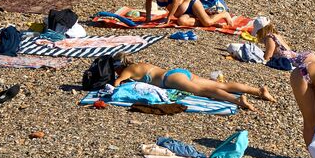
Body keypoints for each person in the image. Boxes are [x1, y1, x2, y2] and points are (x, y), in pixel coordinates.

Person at [113, 56, 274, 110]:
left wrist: (117, 81)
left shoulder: (128, 70)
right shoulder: (140, 64)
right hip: (179, 72)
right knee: (219, 85)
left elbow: (117, 83)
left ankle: (237, 100)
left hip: (170, 79)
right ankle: (259, 91)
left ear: (119, 66)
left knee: (205, 91)